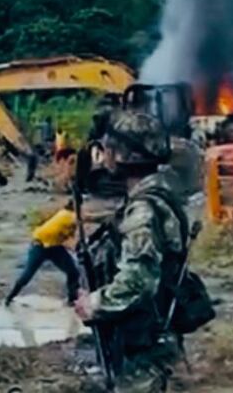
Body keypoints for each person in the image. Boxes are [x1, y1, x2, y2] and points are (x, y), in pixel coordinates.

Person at [74, 107, 199, 393]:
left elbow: (138, 282)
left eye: (107, 148)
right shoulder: (160, 194)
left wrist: (93, 303)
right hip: (150, 336)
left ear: (122, 154)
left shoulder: (143, 210)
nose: (102, 154)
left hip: (146, 345)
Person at [5, 201, 80, 306]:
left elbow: (69, 237)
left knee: (73, 272)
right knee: (27, 274)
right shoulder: (69, 215)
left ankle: (72, 300)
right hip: (40, 246)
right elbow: (85, 219)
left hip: (54, 246)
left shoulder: (64, 214)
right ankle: (9, 298)